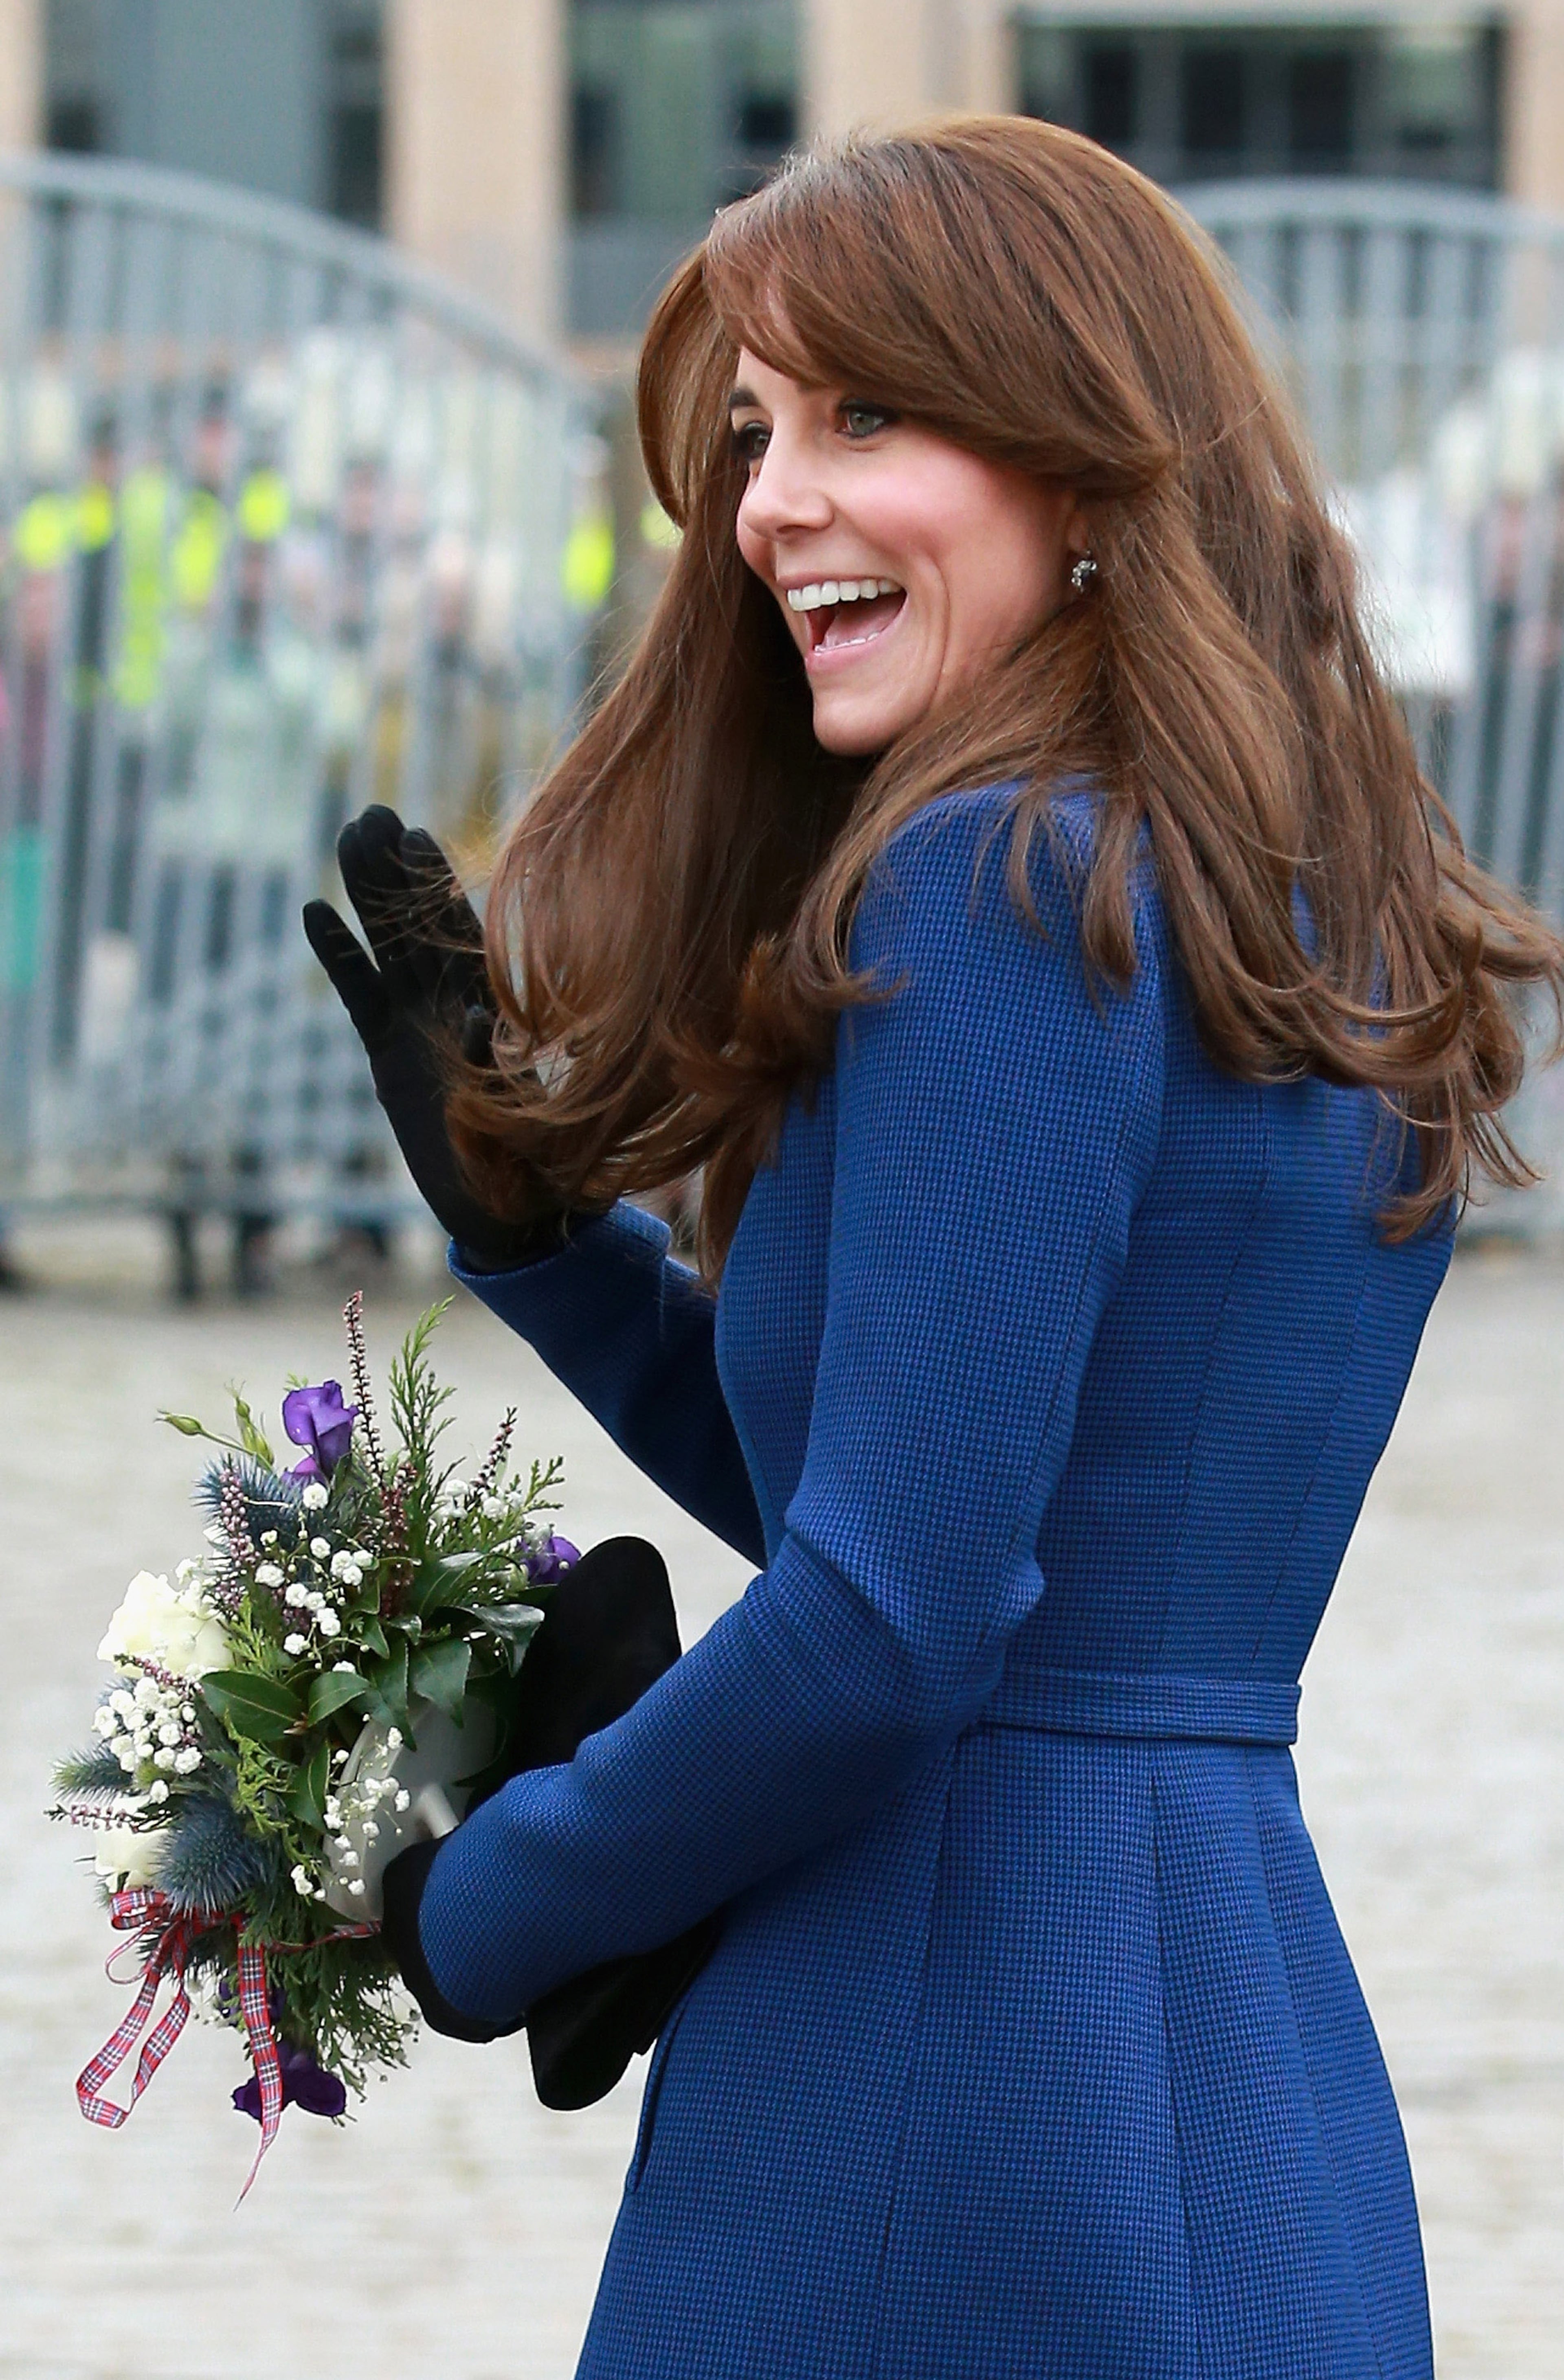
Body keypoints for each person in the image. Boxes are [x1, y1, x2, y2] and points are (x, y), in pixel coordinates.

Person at [305, 120, 1564, 2380]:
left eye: (870, 413)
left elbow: (892, 1620)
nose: (773, 499)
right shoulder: (1282, 890)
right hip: (1237, 2062)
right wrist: (553, 1247)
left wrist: (481, 1905)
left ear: (1086, 461)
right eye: (759, 431)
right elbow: (944, 1512)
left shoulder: (991, 876)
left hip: (927, 2087)